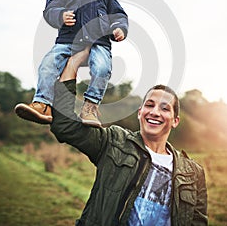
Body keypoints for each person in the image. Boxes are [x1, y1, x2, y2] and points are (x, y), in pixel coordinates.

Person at [50, 54, 208, 226]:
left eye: (164, 108)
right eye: (149, 105)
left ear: (175, 121)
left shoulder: (193, 173)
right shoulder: (113, 142)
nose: (155, 112)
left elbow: (197, 222)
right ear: (140, 112)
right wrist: (73, 63)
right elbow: (64, 125)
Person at [15, 0, 128, 127]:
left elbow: (119, 15)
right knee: (48, 65)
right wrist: (60, 15)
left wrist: (120, 28)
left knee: (102, 68)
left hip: (99, 42)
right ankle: (43, 103)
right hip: (68, 40)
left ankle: (90, 107)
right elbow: (50, 8)